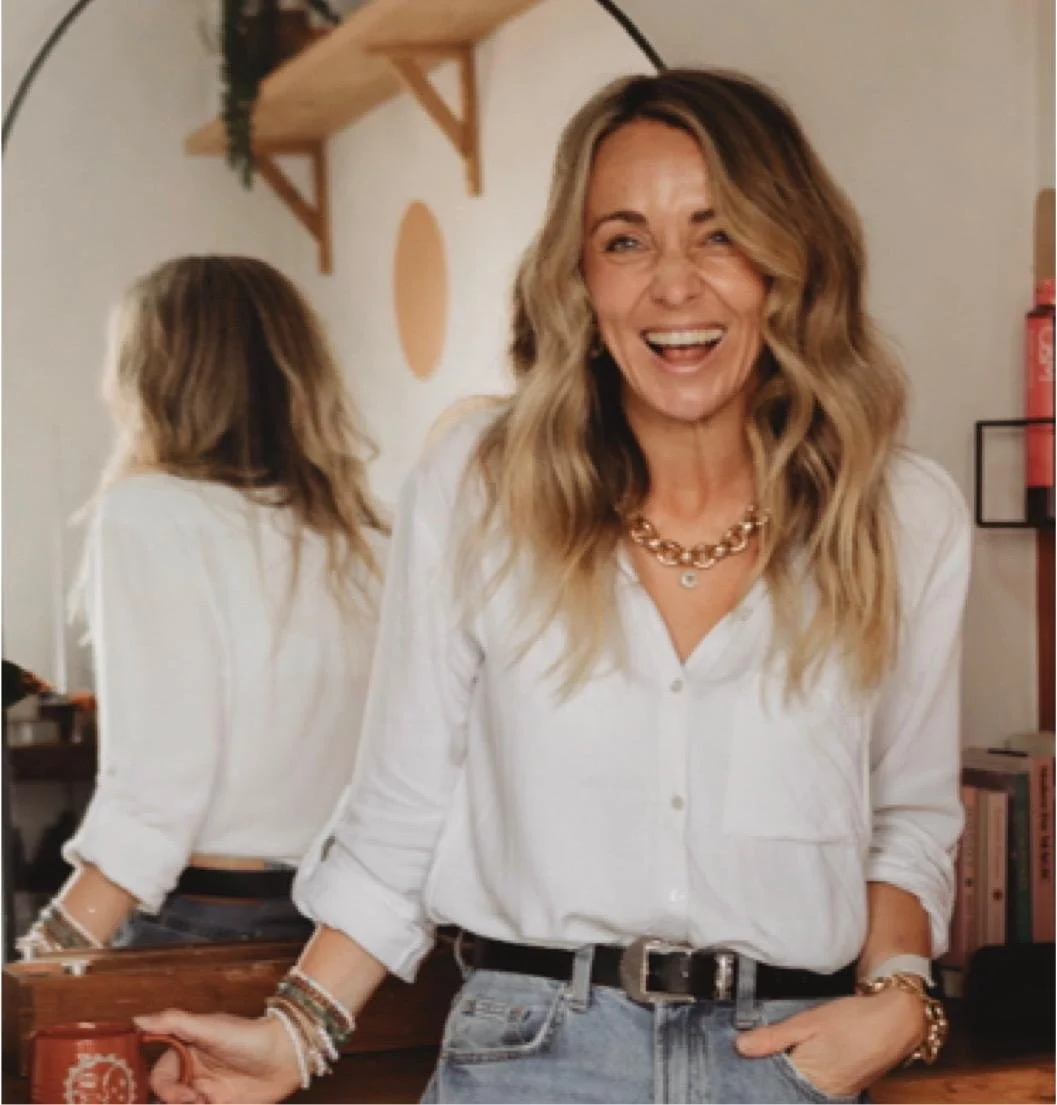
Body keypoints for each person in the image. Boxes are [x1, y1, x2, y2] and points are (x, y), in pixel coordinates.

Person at [140, 69, 969, 1104]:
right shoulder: (480, 485)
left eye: (717, 234)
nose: (673, 285)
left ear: (789, 261)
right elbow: (404, 801)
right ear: (578, 279)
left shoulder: (904, 513)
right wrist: (295, 1032)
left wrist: (899, 997)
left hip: (789, 1059)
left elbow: (908, 814)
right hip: (533, 1056)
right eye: (624, 241)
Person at [17, 256, 388, 953]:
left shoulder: (148, 513)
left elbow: (157, 787)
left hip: (209, 918)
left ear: (154, 380)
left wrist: (48, 955)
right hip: (349, 937)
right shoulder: (368, 537)